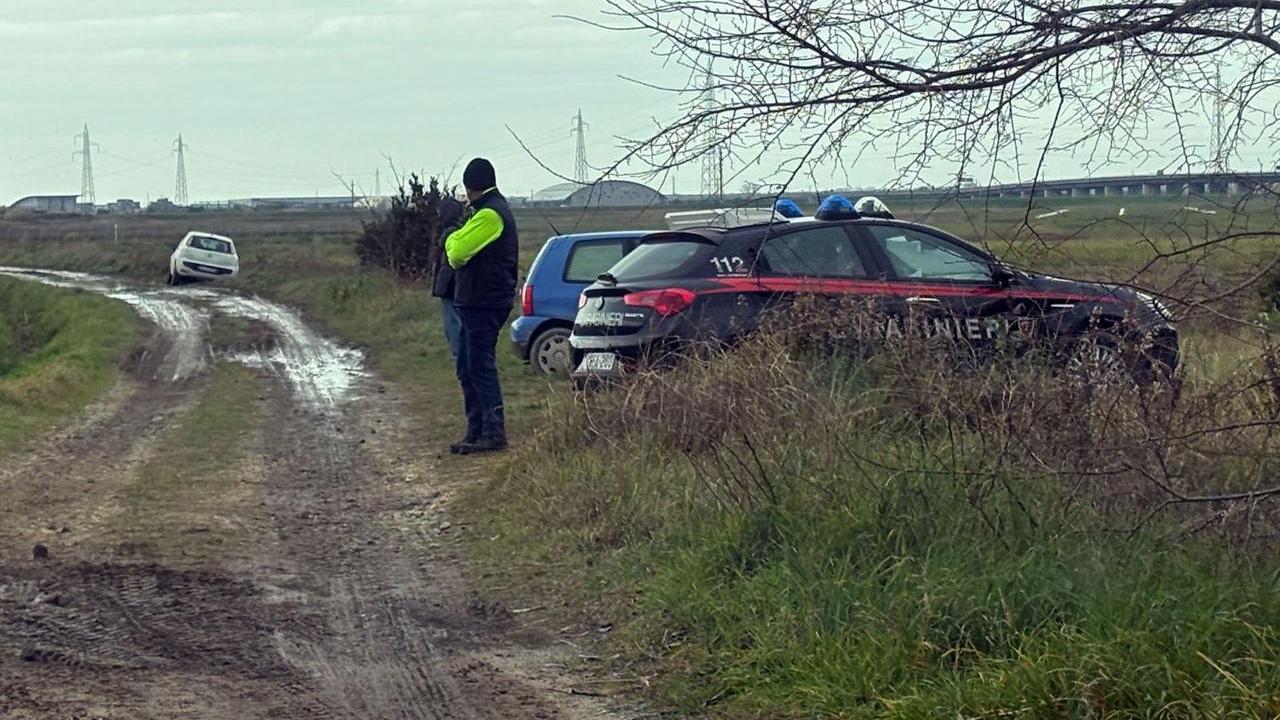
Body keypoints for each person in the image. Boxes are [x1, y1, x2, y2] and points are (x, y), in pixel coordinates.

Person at [444, 158, 518, 455]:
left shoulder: (489, 214)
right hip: (476, 301)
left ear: (468, 186)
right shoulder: (487, 211)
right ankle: (475, 431)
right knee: (467, 366)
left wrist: (451, 237)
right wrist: (456, 241)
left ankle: (493, 433)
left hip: (484, 302)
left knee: (479, 366)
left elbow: (457, 253)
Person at [432, 196, 466, 360]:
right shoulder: (460, 230)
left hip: (450, 286)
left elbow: (447, 265)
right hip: (458, 285)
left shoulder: (449, 233)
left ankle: (458, 354)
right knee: (458, 321)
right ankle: (461, 353)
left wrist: (440, 287)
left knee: (452, 323)